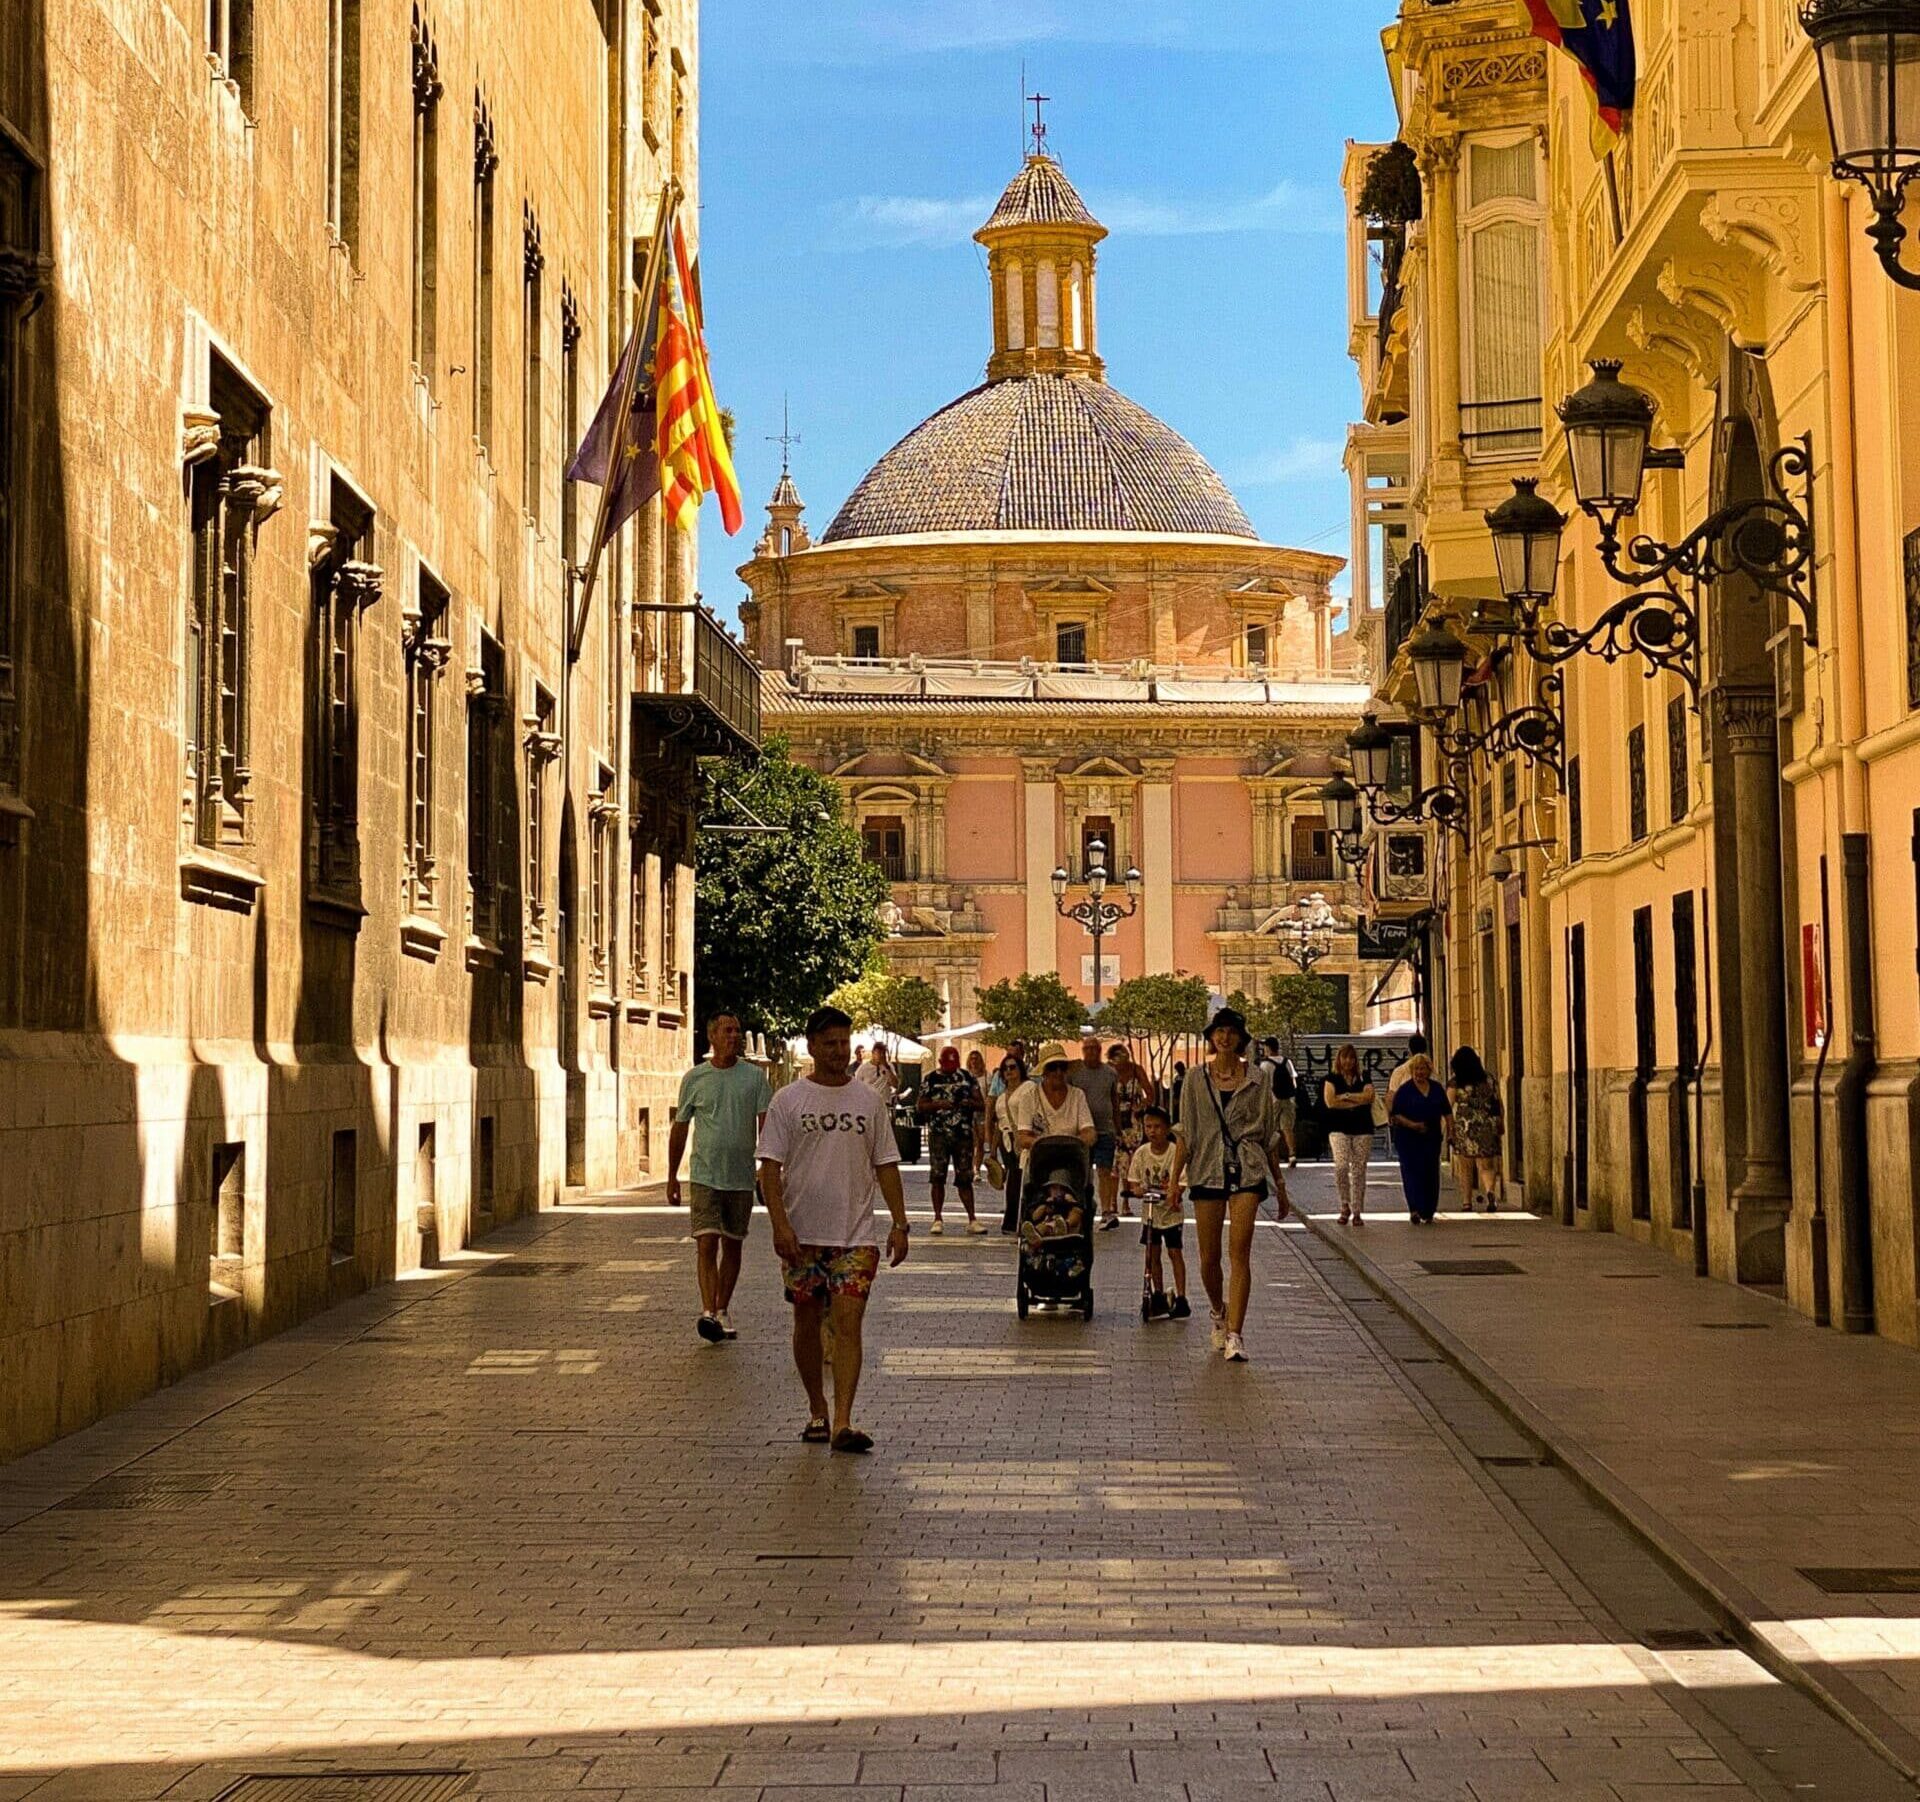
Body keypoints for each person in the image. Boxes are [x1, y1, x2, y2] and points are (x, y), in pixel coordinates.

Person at [757, 1006, 911, 1454]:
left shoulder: (868, 1102)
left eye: (844, 1042)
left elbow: (886, 1165)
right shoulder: (789, 1100)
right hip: (802, 1235)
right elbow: (770, 1169)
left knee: (848, 1322)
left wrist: (900, 1223)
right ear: (811, 1046)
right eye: (829, 1043)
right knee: (806, 1322)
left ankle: (843, 1419)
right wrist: (779, 1224)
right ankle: (816, 1409)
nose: (839, 1050)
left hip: (855, 1235)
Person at [1169, 1007, 1287, 1364]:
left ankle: (1236, 1333)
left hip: (1247, 1171)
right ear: (1211, 1037)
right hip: (1206, 1168)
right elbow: (1185, 1132)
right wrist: (1174, 1180)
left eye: (1231, 1031)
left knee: (1240, 1251)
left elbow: (1268, 1133)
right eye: (1218, 1031)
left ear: (1241, 1038)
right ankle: (1218, 1311)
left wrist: (1279, 1182)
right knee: (1209, 1258)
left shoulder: (1257, 1079)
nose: (1224, 1037)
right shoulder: (1193, 1079)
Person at [667, 1011, 774, 1344]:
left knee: (733, 1243)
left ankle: (723, 1306)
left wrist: (766, 1169)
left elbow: (766, 1126)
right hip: (704, 1174)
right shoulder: (694, 1079)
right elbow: (681, 1127)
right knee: (706, 1241)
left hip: (740, 1176)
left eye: (737, 1031)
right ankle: (708, 1311)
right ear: (711, 1036)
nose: (734, 1036)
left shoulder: (754, 1078)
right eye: (727, 1031)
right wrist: (672, 1176)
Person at [1127, 1105, 1189, 1320]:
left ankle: (1181, 1297)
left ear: (1167, 1129)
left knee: (1174, 1252)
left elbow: (1182, 1181)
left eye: (1157, 1127)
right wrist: (1137, 1190)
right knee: (1152, 1254)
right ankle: (1158, 1293)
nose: (1152, 1131)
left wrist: (1175, 1192)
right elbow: (1133, 1180)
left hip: (1170, 1212)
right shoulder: (1142, 1153)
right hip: (1151, 1213)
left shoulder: (1174, 1152)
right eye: (1148, 1127)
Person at [917, 1046, 987, 1234]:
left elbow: (981, 1104)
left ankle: (972, 1218)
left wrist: (968, 1103)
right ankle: (937, 1217)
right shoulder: (930, 1079)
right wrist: (937, 1104)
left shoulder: (967, 1078)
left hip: (963, 1135)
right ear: (940, 1062)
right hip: (939, 1134)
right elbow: (920, 1105)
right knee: (937, 1176)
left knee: (965, 1177)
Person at [1390, 1052, 1453, 1225]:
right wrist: (1413, 1125)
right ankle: (1415, 1209)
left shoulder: (1437, 1088)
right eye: (1416, 1069)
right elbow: (1395, 1114)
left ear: (1429, 1070)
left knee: (1430, 1172)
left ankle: (1429, 1210)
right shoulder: (1405, 1090)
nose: (1419, 1072)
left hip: (1431, 1137)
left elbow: (1447, 1112)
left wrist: (1451, 1132)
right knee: (1411, 1172)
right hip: (1408, 1138)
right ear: (1412, 1070)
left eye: (1423, 1068)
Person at [1012, 1044, 1097, 1168]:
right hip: (1038, 1160)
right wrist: (1048, 1146)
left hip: (1071, 1159)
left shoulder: (1077, 1095)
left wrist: (1071, 1145)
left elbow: (1090, 1132)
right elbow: (1022, 1137)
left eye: (1062, 1067)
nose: (1058, 1072)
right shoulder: (1029, 1097)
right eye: (1053, 1067)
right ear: (1044, 1071)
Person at [1068, 1036, 1123, 1228]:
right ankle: (1080, 1207)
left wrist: (1118, 1128)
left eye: (1095, 1048)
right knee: (1082, 1171)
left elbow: (1114, 1101)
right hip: (1081, 1130)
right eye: (1087, 1048)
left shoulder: (1110, 1073)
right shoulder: (1074, 1072)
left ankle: (1106, 1211)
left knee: (1104, 1170)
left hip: (1105, 1130)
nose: (1091, 1052)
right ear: (1083, 1051)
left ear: (1100, 1051)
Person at [1322, 1042, 1376, 1227]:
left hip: (1363, 1128)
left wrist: (1345, 1097)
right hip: (1338, 1127)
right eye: (1345, 1057)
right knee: (1342, 1166)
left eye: (1351, 1058)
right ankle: (1344, 1204)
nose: (1348, 1061)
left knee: (1359, 1169)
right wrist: (1357, 1100)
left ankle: (1357, 1210)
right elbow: (1330, 1102)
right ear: (1339, 1059)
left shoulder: (1364, 1076)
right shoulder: (1331, 1078)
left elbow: (1369, 1096)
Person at [1448, 1046, 1506, 1213]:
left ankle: (1467, 1203)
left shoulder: (1456, 1081)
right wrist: (1500, 1121)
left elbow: (1447, 1105)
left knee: (1465, 1167)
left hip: (1465, 1127)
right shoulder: (1489, 1079)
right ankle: (1490, 1192)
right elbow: (1498, 1102)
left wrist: (1447, 1129)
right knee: (1486, 1165)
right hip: (1487, 1124)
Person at [1108, 1043, 1152, 1203]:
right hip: (1114, 1119)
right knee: (1114, 1161)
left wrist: (1141, 1106)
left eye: (1124, 1054)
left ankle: (1125, 1200)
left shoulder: (1136, 1070)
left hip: (1133, 1121)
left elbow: (1150, 1093)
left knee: (1127, 1159)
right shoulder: (1109, 1072)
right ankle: (1112, 1201)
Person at [992, 1055, 1031, 1232]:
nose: (1009, 1071)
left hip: (1022, 1138)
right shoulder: (1001, 1097)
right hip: (1006, 1141)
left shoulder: (1028, 1089)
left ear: (1020, 1069)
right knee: (1012, 1180)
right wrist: (992, 1150)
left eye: (1013, 1067)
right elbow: (998, 1124)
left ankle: (1016, 1220)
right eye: (1005, 1068)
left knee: (1019, 1179)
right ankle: (1012, 1219)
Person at [1266, 1039, 1301, 1168]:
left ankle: (1273, 1157)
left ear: (1268, 1048)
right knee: (1288, 1129)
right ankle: (1292, 1155)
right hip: (1288, 1099)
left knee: (1272, 1130)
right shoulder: (1288, 1062)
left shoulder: (1265, 1065)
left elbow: (1264, 1085)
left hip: (1272, 1100)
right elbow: (1294, 1083)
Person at [966, 1048, 993, 1174]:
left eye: (976, 1059)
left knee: (981, 1142)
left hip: (983, 1111)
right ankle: (971, 1167)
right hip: (969, 1112)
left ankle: (977, 1168)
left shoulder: (987, 1077)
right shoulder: (965, 1076)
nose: (974, 1061)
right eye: (972, 1059)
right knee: (972, 1142)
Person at [1386, 1032, 1429, 1111]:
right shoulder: (1432, 1072)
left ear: (1409, 1050)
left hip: (1405, 1118)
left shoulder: (1399, 1071)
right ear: (1425, 1050)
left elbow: (1391, 1098)